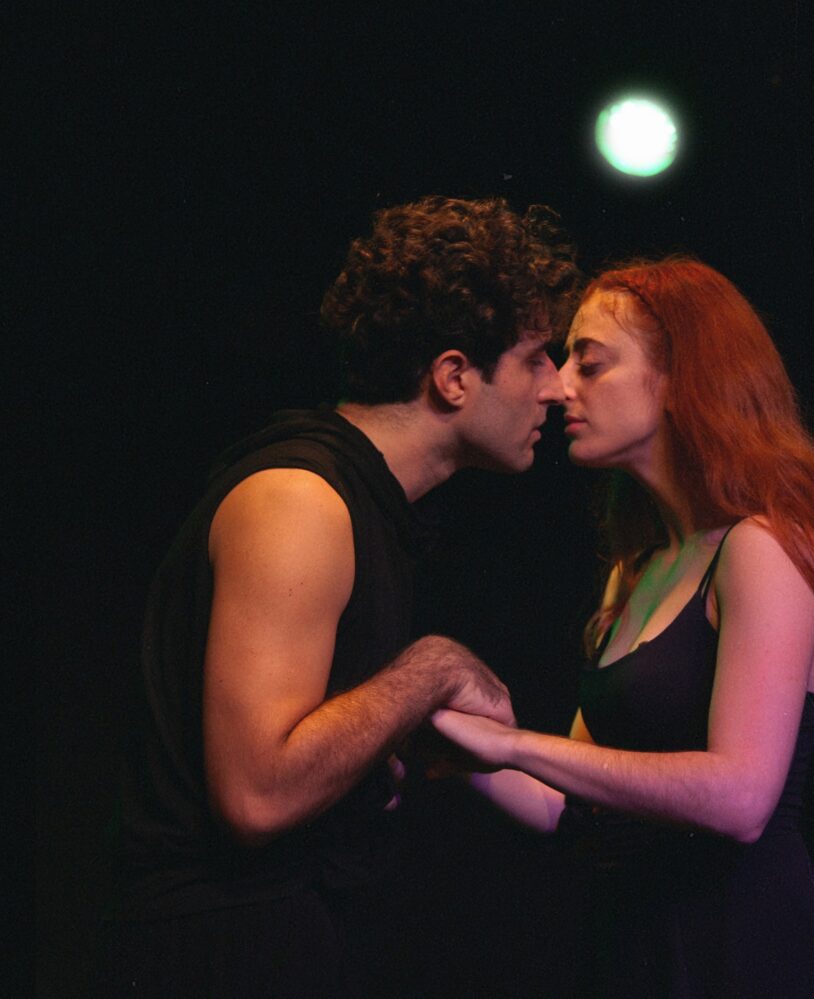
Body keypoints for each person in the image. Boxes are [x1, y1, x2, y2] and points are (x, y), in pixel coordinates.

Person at [96, 196, 580, 997]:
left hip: (274, 930)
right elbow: (256, 795)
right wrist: (430, 669)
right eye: (537, 358)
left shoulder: (367, 505)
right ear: (454, 377)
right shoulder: (302, 500)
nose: (557, 389)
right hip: (218, 948)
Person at [432, 256, 814, 997]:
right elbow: (562, 802)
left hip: (745, 952)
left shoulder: (761, 549)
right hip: (639, 949)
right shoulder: (638, 569)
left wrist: (513, 742)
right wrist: (442, 742)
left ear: (680, 378)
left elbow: (742, 798)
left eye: (590, 364)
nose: (559, 386)